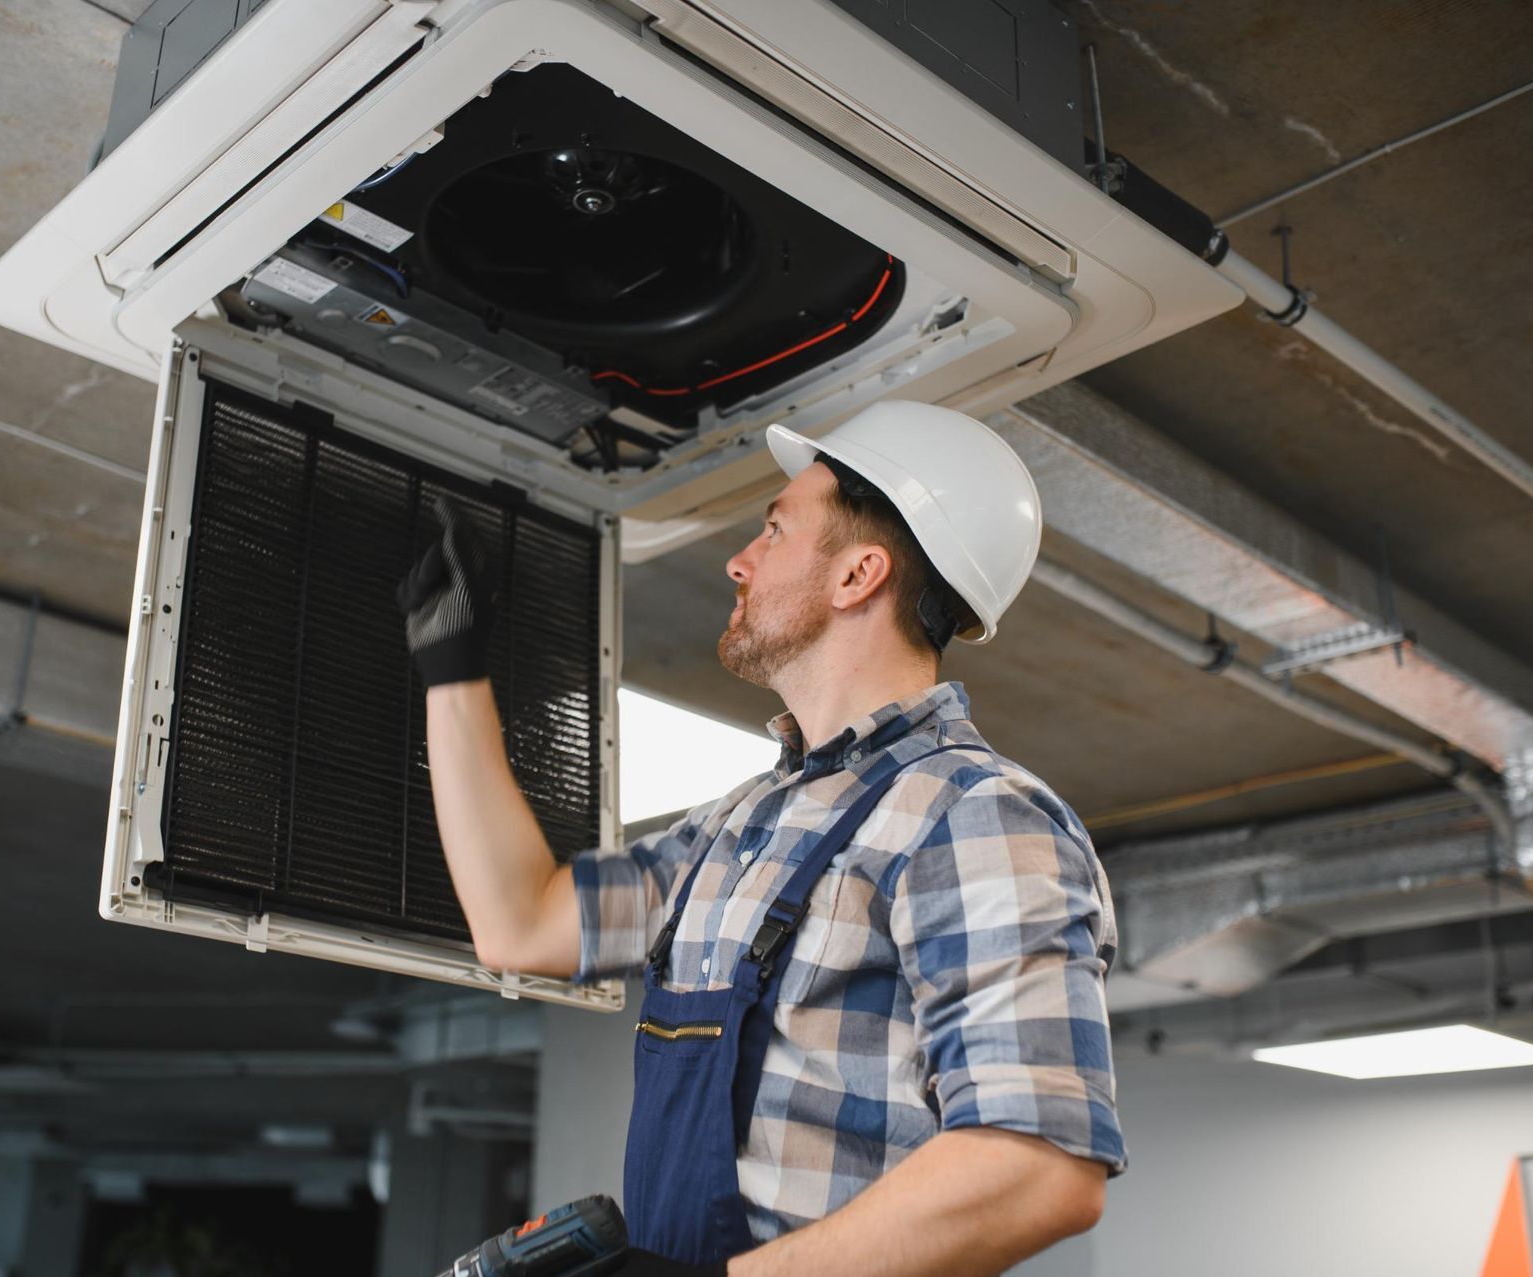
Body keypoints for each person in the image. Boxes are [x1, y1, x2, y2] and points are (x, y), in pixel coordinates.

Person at [398, 401, 1123, 1275]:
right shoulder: (740, 824)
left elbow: (1041, 1162)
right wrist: (452, 667)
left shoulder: (975, 815)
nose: (739, 560)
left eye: (774, 531)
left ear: (858, 574)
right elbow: (522, 920)